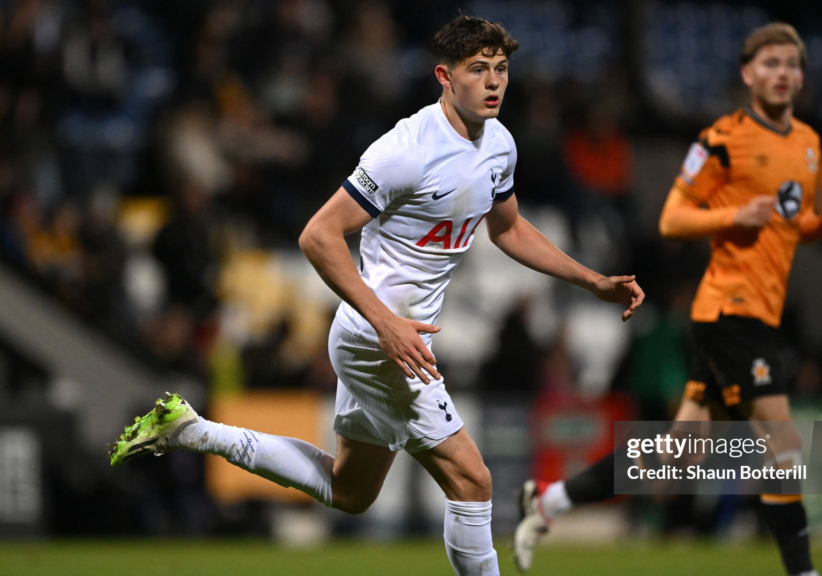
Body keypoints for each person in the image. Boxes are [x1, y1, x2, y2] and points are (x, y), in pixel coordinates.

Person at [109, 15, 644, 576]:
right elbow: (318, 235)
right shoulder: (404, 149)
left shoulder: (500, 146)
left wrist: (592, 280)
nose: (494, 82)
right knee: (473, 479)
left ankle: (193, 430)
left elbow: (507, 229)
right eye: (478, 69)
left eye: (502, 69)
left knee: (349, 490)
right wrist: (386, 323)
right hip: (380, 338)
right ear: (444, 75)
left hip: (397, 336)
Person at [513, 23, 822, 576]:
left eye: (793, 64)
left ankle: (547, 503)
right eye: (771, 64)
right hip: (728, 311)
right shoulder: (722, 140)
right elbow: (673, 217)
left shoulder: (808, 147)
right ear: (747, 74)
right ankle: (803, 572)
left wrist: (821, 226)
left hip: (761, 312)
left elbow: (786, 226)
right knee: (781, 441)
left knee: (679, 451)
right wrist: (732, 215)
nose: (784, 74)